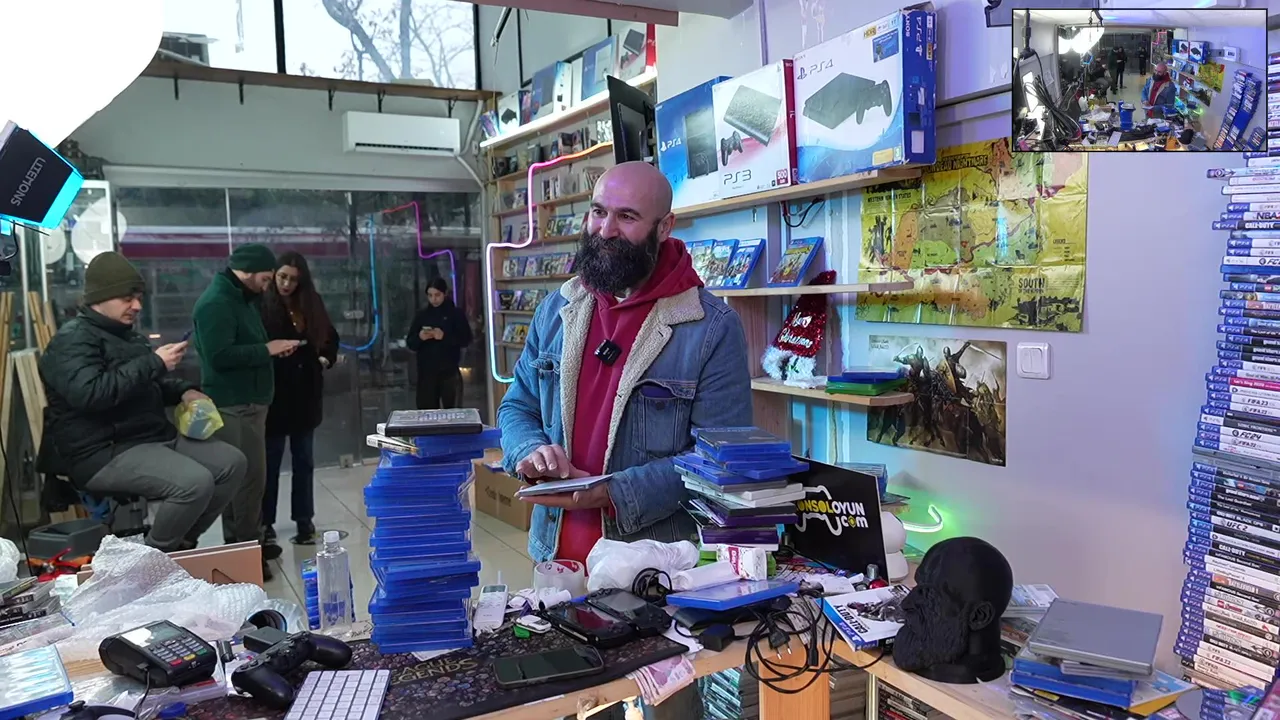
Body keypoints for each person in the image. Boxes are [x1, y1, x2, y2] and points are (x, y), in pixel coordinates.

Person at [498, 162, 751, 718]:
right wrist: (528, 449)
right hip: (558, 560)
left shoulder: (710, 328)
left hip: (655, 569)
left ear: (665, 227)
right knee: (578, 704)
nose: (605, 229)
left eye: (627, 217)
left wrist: (610, 492)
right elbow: (517, 406)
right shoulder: (559, 309)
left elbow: (719, 460)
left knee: (671, 709)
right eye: (598, 212)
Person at [38, 252, 247, 552]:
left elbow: (148, 384)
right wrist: (154, 362)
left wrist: (184, 391)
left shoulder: (129, 337)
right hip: (102, 449)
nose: (137, 306)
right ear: (100, 298)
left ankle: (182, 542)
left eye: (138, 298)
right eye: (127, 298)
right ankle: (154, 556)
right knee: (194, 483)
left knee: (232, 463)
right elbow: (92, 394)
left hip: (148, 436)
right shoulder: (71, 341)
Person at [193, 243, 301, 581]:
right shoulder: (217, 303)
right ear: (248, 272)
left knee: (249, 481)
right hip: (234, 405)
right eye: (266, 279)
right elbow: (219, 356)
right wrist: (266, 349)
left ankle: (247, 544)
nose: (269, 286)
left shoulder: (241, 299)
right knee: (245, 482)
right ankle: (244, 552)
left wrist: (268, 351)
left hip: (251, 402)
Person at [260, 251, 339, 546]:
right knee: (270, 463)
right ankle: (265, 522)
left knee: (303, 461)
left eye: (293, 279)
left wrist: (324, 359)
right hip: (275, 393)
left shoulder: (310, 302)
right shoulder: (263, 303)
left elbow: (330, 336)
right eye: (282, 277)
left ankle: (304, 518)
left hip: (305, 392)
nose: (286, 284)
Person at [406, 278, 472, 409]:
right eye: (430, 295)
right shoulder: (422, 315)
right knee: (426, 412)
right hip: (426, 373)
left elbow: (466, 339)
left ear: (444, 293)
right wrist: (420, 337)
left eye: (437, 295)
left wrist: (444, 337)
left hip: (449, 371)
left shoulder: (456, 314)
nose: (434, 299)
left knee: (452, 412)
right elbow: (410, 343)